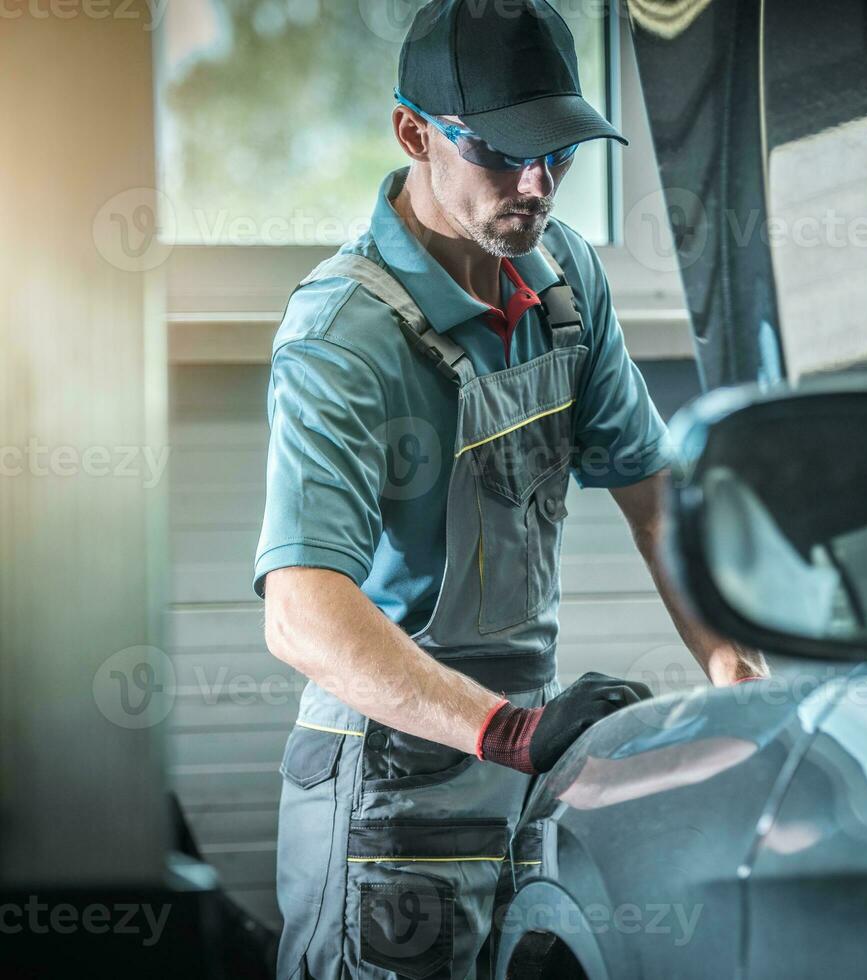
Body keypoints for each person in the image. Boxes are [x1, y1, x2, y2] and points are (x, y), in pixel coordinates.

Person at [254, 2, 765, 976]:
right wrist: (513, 731)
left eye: (559, 153)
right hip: (387, 795)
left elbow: (654, 493)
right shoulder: (347, 335)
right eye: (501, 151)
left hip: (522, 773)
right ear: (413, 133)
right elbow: (300, 613)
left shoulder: (563, 279)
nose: (536, 186)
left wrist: (734, 671)